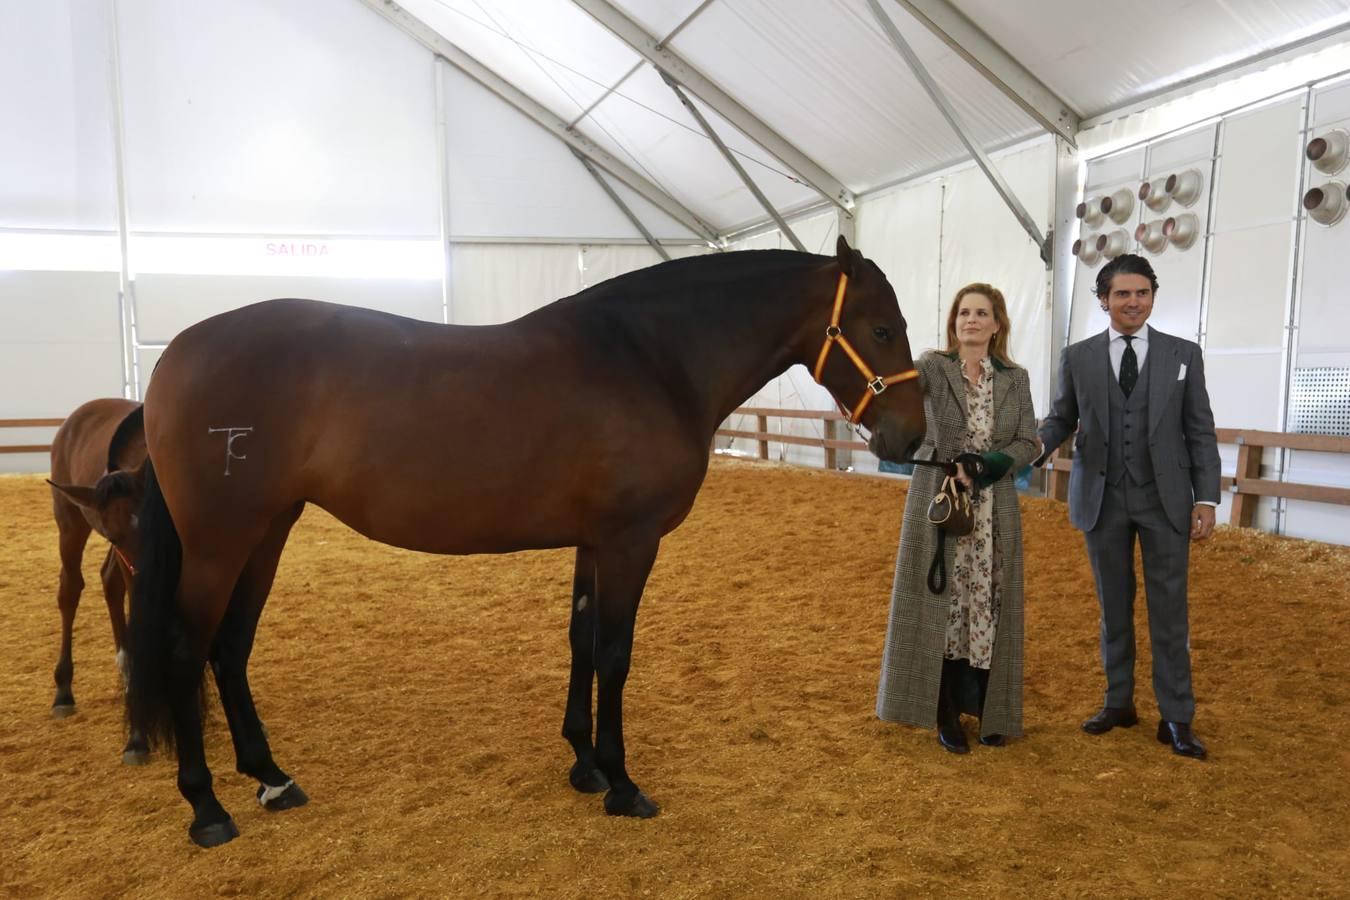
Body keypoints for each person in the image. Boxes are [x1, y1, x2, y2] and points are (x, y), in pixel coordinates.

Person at [1036, 253, 1220, 760]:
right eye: (1122, 293)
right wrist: (1032, 445)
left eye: (1142, 292)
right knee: (1112, 608)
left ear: (1152, 297)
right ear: (1103, 300)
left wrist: (1206, 497)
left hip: (1168, 501)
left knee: (1169, 613)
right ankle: (1119, 703)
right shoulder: (1077, 357)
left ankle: (1177, 717)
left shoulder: (1184, 354)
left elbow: (1200, 430)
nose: (1133, 301)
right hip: (1101, 497)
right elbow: (1061, 418)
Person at [876, 283, 1039, 753]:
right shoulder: (932, 366)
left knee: (986, 601)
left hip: (993, 507)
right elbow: (895, 389)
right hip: (937, 499)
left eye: (981, 313)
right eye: (964, 312)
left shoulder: (1015, 378)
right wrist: (868, 395)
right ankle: (943, 708)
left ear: (997, 323)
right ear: (954, 322)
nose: (971, 320)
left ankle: (987, 706)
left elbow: (1028, 441)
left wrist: (985, 466)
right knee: (941, 599)